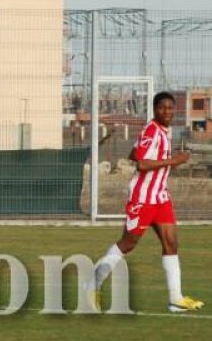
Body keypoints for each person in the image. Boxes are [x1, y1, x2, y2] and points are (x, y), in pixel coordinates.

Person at [84, 91, 204, 313]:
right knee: (128, 244)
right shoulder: (152, 129)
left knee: (171, 244)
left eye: (170, 108)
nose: (166, 112)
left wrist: (169, 162)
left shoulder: (164, 131)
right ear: (155, 110)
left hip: (160, 196)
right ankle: (92, 284)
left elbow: (134, 152)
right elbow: (141, 164)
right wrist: (172, 160)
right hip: (143, 198)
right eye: (162, 108)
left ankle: (176, 299)